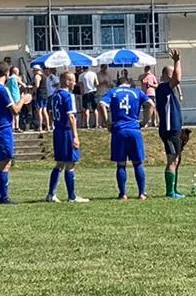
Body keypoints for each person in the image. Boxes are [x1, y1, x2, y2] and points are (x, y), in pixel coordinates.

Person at [103, 68, 154, 200]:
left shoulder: (112, 92)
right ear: (129, 82)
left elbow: (102, 105)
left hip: (119, 130)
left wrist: (107, 123)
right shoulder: (137, 92)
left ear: (118, 82)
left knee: (121, 164)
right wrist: (144, 121)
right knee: (138, 163)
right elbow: (150, 104)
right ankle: (142, 193)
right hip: (134, 129)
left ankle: (123, 194)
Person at [0, 60, 30, 203]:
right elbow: (15, 110)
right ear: (6, 74)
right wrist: (23, 99)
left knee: (0, 162)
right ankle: (4, 197)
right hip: (3, 128)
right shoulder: (2, 89)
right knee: (5, 162)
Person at [46, 70, 87, 202]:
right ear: (67, 81)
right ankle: (72, 196)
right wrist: (75, 136)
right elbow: (71, 116)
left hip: (57, 130)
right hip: (66, 131)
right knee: (70, 163)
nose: (75, 83)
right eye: (73, 80)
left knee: (60, 163)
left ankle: (51, 194)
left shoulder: (54, 95)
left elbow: (50, 113)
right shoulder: (68, 96)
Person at [155, 48, 188, 199]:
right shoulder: (163, 88)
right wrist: (177, 61)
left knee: (176, 159)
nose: (172, 76)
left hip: (175, 128)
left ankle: (174, 189)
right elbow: (177, 79)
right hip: (169, 129)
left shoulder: (169, 90)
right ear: (165, 76)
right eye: (170, 73)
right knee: (172, 159)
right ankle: (170, 192)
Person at [80, 64, 101, 129]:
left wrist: (82, 93)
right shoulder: (93, 73)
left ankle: (87, 124)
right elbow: (97, 83)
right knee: (95, 108)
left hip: (86, 93)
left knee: (86, 109)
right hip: (93, 92)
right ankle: (96, 124)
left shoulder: (81, 75)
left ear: (83, 68)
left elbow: (81, 85)